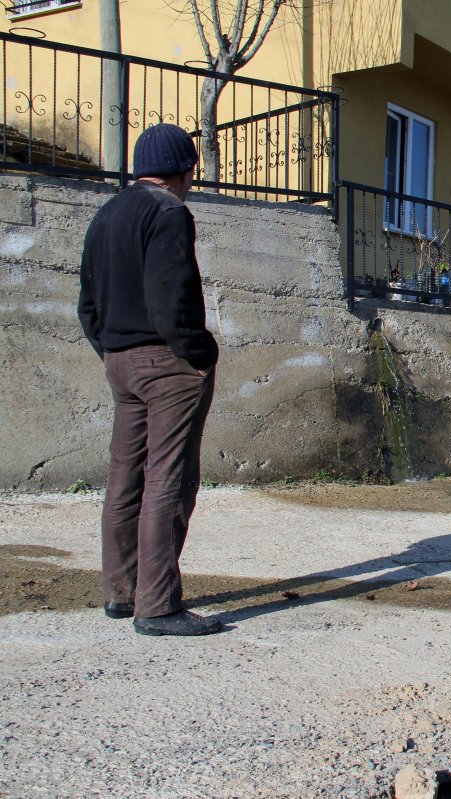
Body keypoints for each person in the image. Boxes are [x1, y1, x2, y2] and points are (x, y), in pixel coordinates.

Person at [78, 123, 222, 636]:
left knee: (125, 477)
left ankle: (121, 592)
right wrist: (199, 352)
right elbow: (171, 299)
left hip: (119, 360)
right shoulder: (169, 213)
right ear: (185, 171)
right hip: (167, 364)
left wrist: (112, 349)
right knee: (170, 479)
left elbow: (88, 303)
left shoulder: (107, 213)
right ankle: (157, 606)